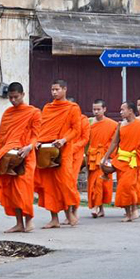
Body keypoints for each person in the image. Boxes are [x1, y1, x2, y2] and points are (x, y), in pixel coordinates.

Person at [0, 82, 41, 233]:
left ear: (23, 95)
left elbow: (36, 134)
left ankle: (29, 219)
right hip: (9, 156)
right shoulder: (8, 113)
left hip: (27, 155)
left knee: (24, 189)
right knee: (12, 190)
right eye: (10, 97)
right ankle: (19, 223)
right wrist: (2, 155)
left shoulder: (34, 112)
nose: (13, 100)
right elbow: (2, 136)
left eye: (16, 97)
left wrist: (29, 147)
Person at [34, 79, 81, 229]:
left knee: (65, 183)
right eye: (52, 90)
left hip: (64, 150)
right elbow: (42, 127)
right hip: (47, 151)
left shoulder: (73, 108)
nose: (54, 92)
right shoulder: (47, 108)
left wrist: (63, 140)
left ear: (65, 89)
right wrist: (38, 141)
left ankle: (69, 213)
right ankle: (54, 218)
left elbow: (76, 130)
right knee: (49, 185)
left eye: (57, 89)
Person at [101, 101, 140, 222]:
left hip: (133, 161)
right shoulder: (121, 125)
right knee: (122, 188)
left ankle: (133, 211)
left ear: (131, 111)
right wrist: (106, 157)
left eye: (123, 110)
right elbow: (114, 142)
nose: (120, 112)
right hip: (121, 160)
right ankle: (128, 212)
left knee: (127, 186)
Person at [87, 99, 117, 218]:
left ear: (104, 109)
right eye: (94, 109)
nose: (96, 112)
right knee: (93, 183)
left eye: (98, 109)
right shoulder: (89, 122)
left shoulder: (113, 124)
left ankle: (96, 207)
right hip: (92, 157)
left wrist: (109, 156)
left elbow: (114, 142)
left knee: (100, 182)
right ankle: (100, 208)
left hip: (105, 157)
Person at [65, 97, 90, 224]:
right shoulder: (63, 119)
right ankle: (67, 211)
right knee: (64, 184)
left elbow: (85, 139)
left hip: (75, 154)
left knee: (72, 183)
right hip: (63, 154)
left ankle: (74, 210)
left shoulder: (83, 120)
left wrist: (72, 147)